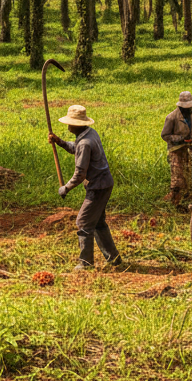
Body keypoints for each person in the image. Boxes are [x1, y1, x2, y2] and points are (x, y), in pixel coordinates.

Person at [48, 104, 122, 270]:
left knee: (83, 222)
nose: (68, 126)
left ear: (76, 124)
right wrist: (59, 142)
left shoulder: (85, 142)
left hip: (97, 187)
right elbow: (75, 149)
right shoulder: (88, 134)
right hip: (103, 183)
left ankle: (86, 263)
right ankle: (114, 258)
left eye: (70, 123)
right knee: (98, 223)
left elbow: (80, 174)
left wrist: (65, 188)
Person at [161, 91, 192, 207]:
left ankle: (185, 198)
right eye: (187, 107)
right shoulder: (171, 117)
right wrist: (180, 139)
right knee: (177, 175)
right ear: (181, 106)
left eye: (190, 107)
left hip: (189, 149)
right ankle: (174, 201)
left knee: (188, 174)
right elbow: (165, 135)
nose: (189, 109)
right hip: (176, 149)